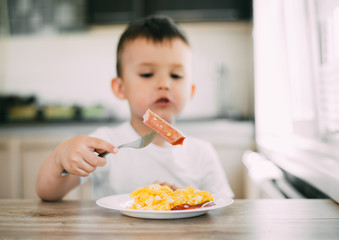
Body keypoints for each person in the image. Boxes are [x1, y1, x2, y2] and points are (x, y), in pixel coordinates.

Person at [36, 15, 234, 201]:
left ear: (190, 91)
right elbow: (47, 192)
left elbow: (224, 207)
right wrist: (59, 157)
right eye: (147, 74)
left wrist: (186, 200)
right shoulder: (105, 145)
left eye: (176, 76)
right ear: (120, 88)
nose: (164, 83)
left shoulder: (201, 153)